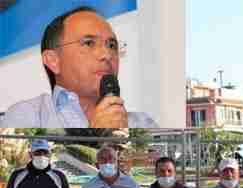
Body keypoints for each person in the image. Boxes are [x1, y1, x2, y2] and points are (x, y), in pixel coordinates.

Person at [0, 6, 157, 128]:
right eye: (88, 43)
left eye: (112, 45)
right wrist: (95, 137)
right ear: (53, 61)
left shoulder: (141, 124)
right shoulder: (27, 116)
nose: (107, 55)